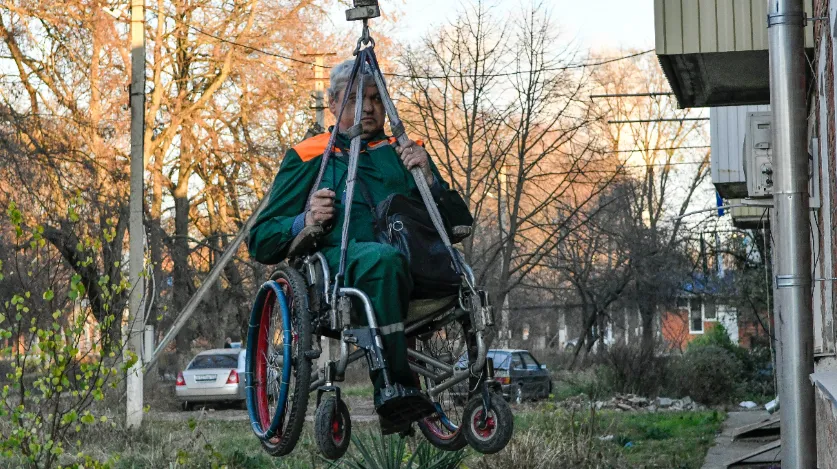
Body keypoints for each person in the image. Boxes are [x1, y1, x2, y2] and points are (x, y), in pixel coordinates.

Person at [248, 58, 473, 433]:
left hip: (413, 266)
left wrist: (430, 179)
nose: (367, 108)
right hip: (341, 267)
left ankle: (480, 391)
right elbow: (261, 240)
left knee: (452, 268)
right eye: (355, 99)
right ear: (333, 105)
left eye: (375, 98)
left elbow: (458, 225)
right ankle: (392, 387)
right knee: (384, 261)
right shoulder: (309, 155)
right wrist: (303, 220)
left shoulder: (406, 151)